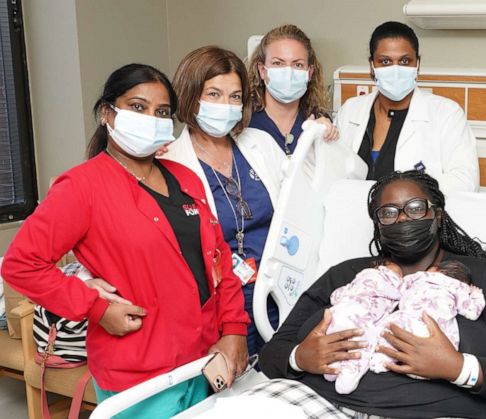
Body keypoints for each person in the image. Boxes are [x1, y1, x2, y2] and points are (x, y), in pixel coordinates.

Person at [1, 64, 249, 418]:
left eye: (161, 112)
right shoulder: (82, 188)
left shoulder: (185, 180)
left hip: (203, 359)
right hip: (139, 370)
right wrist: (97, 308)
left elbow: (218, 259)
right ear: (108, 113)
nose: (151, 118)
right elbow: (21, 265)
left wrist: (234, 329)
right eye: (137, 106)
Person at [256, 170, 486, 418]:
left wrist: (457, 368)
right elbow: (272, 353)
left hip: (438, 410)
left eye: (414, 208)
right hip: (319, 400)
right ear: (378, 224)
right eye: (389, 213)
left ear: (436, 216)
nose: (402, 219)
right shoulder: (346, 276)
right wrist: (299, 358)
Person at [161, 45, 287, 357]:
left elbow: (297, 206)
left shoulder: (260, 144)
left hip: (275, 291)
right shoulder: (169, 162)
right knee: (232, 390)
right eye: (214, 94)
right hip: (220, 305)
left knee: (279, 380)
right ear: (190, 96)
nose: (226, 105)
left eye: (234, 96)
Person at [334, 21, 480, 192]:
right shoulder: (350, 111)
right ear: (372, 66)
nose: (395, 70)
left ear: (417, 64)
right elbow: (331, 173)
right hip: (351, 212)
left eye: (404, 61)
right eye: (385, 61)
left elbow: (465, 181)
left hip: (415, 215)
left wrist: (409, 194)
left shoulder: (446, 113)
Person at [323, 260, 485, 395]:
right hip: (432, 326)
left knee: (377, 334)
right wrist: (476, 295)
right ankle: (398, 367)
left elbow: (398, 290)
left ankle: (367, 362)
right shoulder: (460, 288)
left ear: (436, 269)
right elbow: (472, 312)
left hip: (404, 318)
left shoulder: (418, 277)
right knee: (425, 354)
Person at [246, 24, 339, 154]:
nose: (288, 72)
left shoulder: (319, 122)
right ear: (262, 70)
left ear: (309, 73)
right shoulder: (245, 120)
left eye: (298, 64)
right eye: (278, 63)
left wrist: (327, 137)